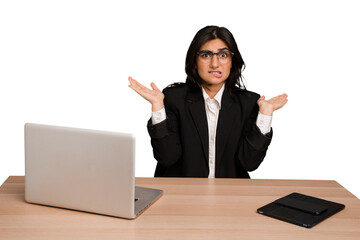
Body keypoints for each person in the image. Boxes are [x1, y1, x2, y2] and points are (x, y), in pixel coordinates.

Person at [128, 25, 288, 178]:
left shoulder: (248, 102)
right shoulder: (174, 98)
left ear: (232, 62)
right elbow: (167, 158)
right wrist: (158, 108)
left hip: (228, 195)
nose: (215, 64)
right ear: (194, 61)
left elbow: (249, 163)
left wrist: (265, 115)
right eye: (206, 55)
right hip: (181, 194)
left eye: (223, 55)